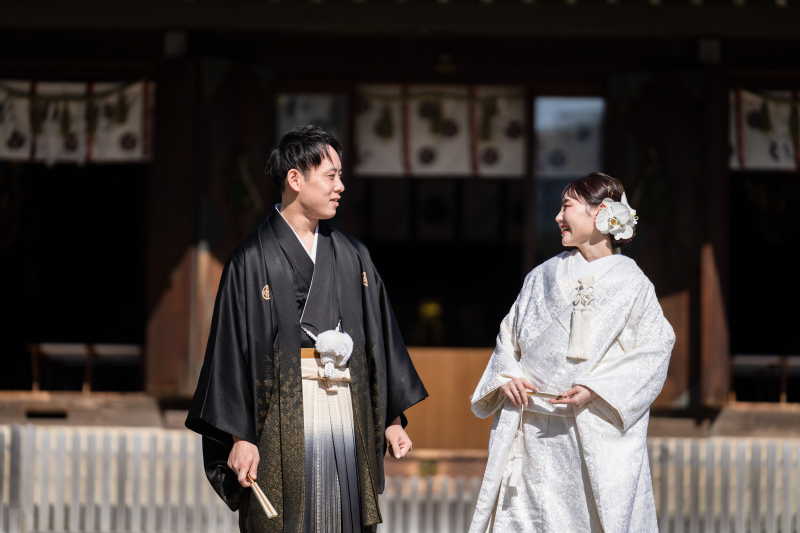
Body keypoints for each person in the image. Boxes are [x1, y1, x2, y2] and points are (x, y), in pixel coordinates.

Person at [185, 125, 428, 533]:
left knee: (342, 513)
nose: (341, 186)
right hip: (278, 416)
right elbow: (228, 355)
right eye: (331, 176)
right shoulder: (250, 260)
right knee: (286, 517)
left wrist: (389, 418)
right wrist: (239, 437)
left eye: (339, 176)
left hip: (345, 407)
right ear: (295, 179)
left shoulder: (354, 256)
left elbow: (379, 340)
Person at [468, 172, 675, 533]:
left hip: (591, 431)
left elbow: (655, 350)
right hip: (532, 430)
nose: (558, 217)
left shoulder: (634, 285)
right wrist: (508, 376)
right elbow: (508, 338)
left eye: (567, 206)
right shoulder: (541, 277)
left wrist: (597, 389)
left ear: (601, 213)